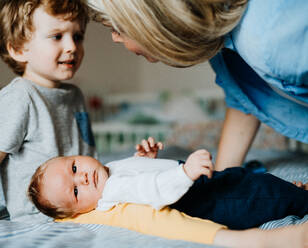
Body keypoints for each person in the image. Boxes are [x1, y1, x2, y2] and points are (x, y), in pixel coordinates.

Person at [84, 0, 308, 171]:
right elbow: (245, 100)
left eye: (115, 27)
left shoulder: (272, 39)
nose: (114, 38)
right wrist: (223, 180)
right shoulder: (223, 46)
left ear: (153, 20)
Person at [0, 0, 96, 223]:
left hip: (86, 206)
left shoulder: (75, 95)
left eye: (78, 36)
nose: (72, 47)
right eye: (57, 36)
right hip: (39, 218)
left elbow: (87, 154)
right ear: (19, 49)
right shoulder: (20, 97)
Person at [27, 137, 308, 230]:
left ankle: (291, 193)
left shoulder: (109, 172)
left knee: (252, 180)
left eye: (74, 167)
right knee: (260, 195)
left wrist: (145, 159)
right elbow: (152, 189)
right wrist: (185, 173)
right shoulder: (111, 190)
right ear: (79, 212)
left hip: (205, 186)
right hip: (208, 202)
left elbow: (139, 174)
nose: (83, 177)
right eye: (76, 190)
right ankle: (297, 199)